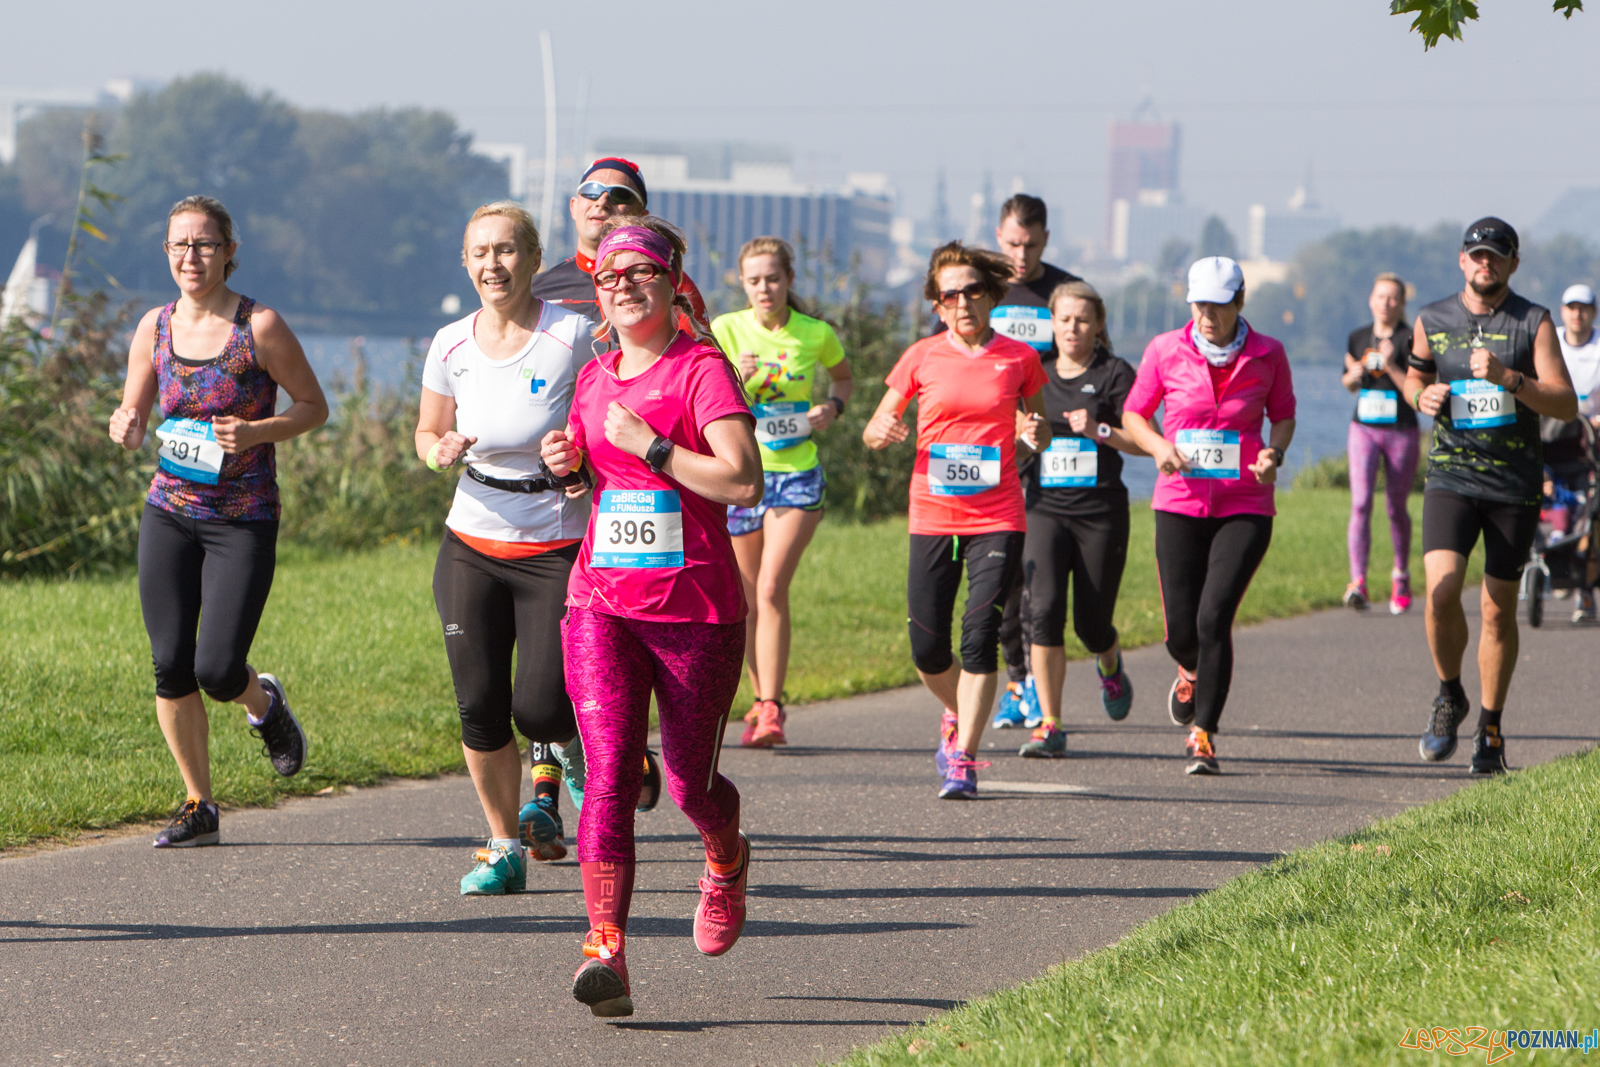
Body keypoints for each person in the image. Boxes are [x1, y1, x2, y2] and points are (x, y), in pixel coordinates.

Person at [541, 216, 762, 1018]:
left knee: (688, 783)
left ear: (672, 284)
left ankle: (726, 855)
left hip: (696, 611)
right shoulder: (596, 377)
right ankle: (606, 945)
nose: (623, 286)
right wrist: (565, 467)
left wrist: (658, 447)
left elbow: (743, 482)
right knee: (605, 772)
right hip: (601, 602)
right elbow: (598, 486)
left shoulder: (701, 370)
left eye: (639, 273)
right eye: (609, 277)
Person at [108, 195, 329, 847]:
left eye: (204, 244)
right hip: (170, 512)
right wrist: (125, 425)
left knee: (216, 665)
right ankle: (198, 803)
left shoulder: (258, 326)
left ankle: (262, 704)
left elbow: (314, 406)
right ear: (166, 253)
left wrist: (257, 429)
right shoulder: (154, 327)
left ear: (230, 251)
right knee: (170, 664)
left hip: (243, 517)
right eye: (179, 244)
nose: (191, 257)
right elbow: (133, 413)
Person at [415, 202, 594, 895]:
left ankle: (572, 744)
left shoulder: (573, 335)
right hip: (470, 541)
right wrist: (440, 451)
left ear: (532, 258)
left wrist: (573, 451)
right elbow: (427, 431)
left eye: (508, 250)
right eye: (481, 252)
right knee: (478, 703)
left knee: (542, 708)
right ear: (465, 263)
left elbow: (608, 418)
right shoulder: (450, 342)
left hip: (553, 542)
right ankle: (501, 845)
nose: (494, 264)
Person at [864, 241, 1050, 798]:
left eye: (973, 291)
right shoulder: (920, 357)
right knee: (926, 647)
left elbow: (1035, 424)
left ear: (991, 296)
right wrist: (883, 433)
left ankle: (963, 757)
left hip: (998, 513)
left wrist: (1033, 434)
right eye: (950, 295)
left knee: (979, 636)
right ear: (937, 304)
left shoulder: (1019, 358)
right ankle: (957, 709)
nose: (963, 302)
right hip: (932, 510)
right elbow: (876, 426)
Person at [1406, 218, 1576, 773]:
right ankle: (1449, 693)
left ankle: (1491, 730)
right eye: (1477, 255)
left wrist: (1511, 379)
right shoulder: (1431, 319)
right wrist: (1421, 394)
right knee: (1441, 592)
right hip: (1451, 477)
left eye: (1496, 256)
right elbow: (1413, 377)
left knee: (1498, 611)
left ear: (1512, 264)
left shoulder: (1534, 322)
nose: (1486, 263)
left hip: (1514, 485)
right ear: (1462, 261)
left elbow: (1565, 404)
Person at [1121, 257, 1296, 776]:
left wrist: (1274, 454)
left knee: (1213, 616)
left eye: (1218, 307)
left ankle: (1204, 733)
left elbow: (1282, 417)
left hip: (1245, 503)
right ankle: (1189, 667)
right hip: (1179, 501)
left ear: (1239, 303)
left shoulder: (1269, 354)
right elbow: (1135, 412)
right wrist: (1156, 446)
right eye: (1199, 304)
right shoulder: (1164, 350)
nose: (1207, 316)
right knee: (1181, 630)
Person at [713, 237, 854, 746]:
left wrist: (831, 410)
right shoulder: (726, 329)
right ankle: (759, 702)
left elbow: (842, 378)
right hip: (741, 475)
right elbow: (703, 396)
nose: (764, 288)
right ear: (743, 284)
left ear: (789, 280)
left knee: (772, 587)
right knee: (748, 599)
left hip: (795, 472)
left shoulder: (814, 333)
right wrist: (737, 379)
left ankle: (772, 706)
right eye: (754, 280)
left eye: (773, 278)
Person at [1017, 281, 1143, 759]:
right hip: (1045, 509)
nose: (1073, 327)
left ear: (1099, 324)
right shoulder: (1035, 374)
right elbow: (1012, 444)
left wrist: (1100, 430)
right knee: (1044, 611)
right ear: (1052, 322)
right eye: (1065, 318)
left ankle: (1108, 662)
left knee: (1092, 625)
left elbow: (1141, 439)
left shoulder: (1114, 374)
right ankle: (1049, 724)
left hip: (1100, 513)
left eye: (1083, 319)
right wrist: (1027, 436)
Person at [985, 195, 1082, 729]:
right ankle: (1017, 683)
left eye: (1032, 245)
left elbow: (1087, 353)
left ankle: (1037, 682)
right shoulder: (981, 289)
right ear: (999, 235)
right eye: (1013, 244)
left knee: (1037, 570)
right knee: (1003, 572)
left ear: (1046, 240)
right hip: (994, 447)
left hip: (1052, 442)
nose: (1021, 256)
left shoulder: (1061, 292)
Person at [527, 156, 709, 338]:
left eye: (620, 194)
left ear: (641, 217)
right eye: (591, 191)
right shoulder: (536, 291)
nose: (602, 201)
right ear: (574, 207)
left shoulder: (667, 282)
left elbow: (699, 359)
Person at [1340, 272, 1421, 614]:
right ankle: (1357, 581)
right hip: (1364, 429)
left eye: (1393, 298)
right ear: (1370, 300)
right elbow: (1348, 382)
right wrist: (1354, 375)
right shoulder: (1358, 337)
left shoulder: (1410, 339)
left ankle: (1400, 576)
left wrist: (1390, 365)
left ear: (1402, 303)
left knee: (1395, 506)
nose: (1385, 303)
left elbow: (1415, 391)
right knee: (1360, 503)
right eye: (1380, 296)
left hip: (1401, 429)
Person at [1553, 283, 1600, 622]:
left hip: (1593, 436)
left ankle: (1585, 585)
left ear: (1593, 313)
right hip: (1554, 434)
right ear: (1563, 311)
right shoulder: (1551, 341)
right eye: (1571, 307)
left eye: (1583, 308)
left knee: (1592, 513)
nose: (1577, 314)